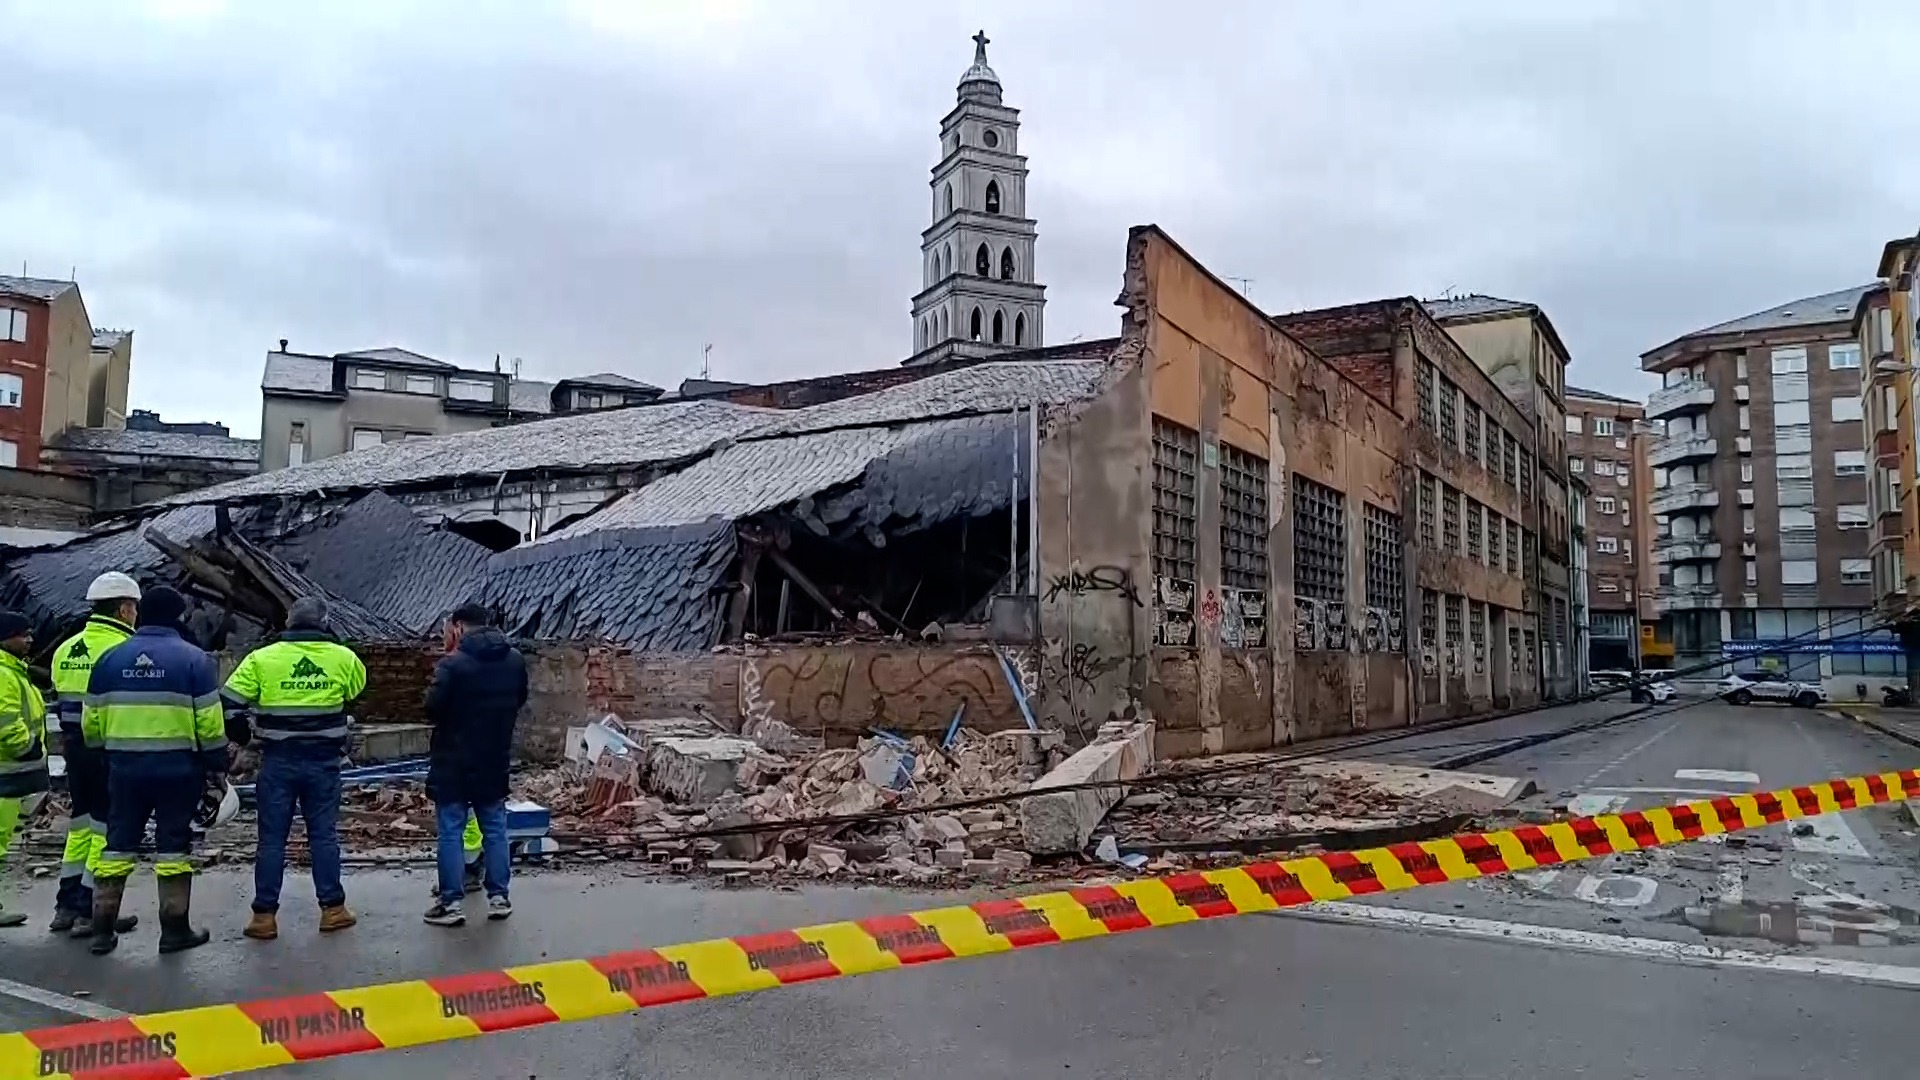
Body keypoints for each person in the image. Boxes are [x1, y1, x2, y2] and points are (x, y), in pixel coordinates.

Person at [83, 586, 226, 956]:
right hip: (178, 770)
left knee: (117, 845)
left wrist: (107, 755)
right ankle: (174, 930)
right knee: (173, 846)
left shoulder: (108, 660)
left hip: (124, 769)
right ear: (178, 617)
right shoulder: (194, 660)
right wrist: (215, 763)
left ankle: (101, 930)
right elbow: (210, 724)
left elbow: (90, 724)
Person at [222, 596, 367, 941]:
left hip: (278, 762)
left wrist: (244, 736)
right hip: (323, 763)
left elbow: (228, 706)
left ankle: (264, 917)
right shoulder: (344, 658)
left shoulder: (261, 659)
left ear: (288, 623)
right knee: (323, 836)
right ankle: (333, 910)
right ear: (324, 623)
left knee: (271, 839)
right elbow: (357, 692)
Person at [47, 572, 143, 938]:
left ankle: (66, 906)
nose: (135, 615)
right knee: (106, 826)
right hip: (108, 748)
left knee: (81, 824)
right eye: (134, 608)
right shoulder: (124, 650)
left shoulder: (65, 649)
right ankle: (93, 906)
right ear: (123, 609)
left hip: (75, 748)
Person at [423, 603, 525, 928]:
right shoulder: (514, 660)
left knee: (451, 831)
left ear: (458, 627)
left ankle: (451, 903)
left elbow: (432, 709)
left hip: (453, 759)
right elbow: (519, 699)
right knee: (495, 828)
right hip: (494, 757)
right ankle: (499, 897)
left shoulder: (453, 665)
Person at [0, 609, 52, 930]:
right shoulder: (4, 674)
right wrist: (28, 747)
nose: (29, 640)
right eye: (23, 634)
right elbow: (5, 721)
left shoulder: (14, 671)